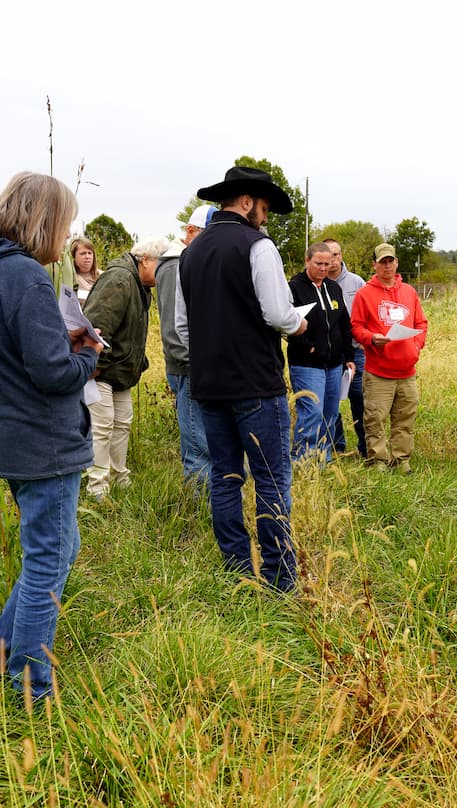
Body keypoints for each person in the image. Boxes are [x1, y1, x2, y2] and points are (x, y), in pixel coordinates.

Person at [0, 171, 101, 701]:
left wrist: (58, 341)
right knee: (48, 561)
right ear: (42, 221)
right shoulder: (25, 277)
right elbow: (54, 374)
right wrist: (85, 354)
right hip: (44, 441)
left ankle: (0, 657)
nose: (66, 239)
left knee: (53, 552)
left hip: (6, 437)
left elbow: (10, 353)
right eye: (64, 226)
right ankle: (28, 684)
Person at [177, 166, 307, 592]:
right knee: (271, 478)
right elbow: (277, 314)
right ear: (247, 202)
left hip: (209, 386)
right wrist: (299, 326)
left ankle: (236, 570)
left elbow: (182, 327)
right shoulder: (259, 246)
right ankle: (279, 578)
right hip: (255, 384)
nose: (266, 218)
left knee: (225, 477)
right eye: (264, 208)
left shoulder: (190, 254)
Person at [81, 236, 168, 499]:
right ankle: (97, 487)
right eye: (160, 267)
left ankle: (119, 477)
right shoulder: (119, 280)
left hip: (121, 371)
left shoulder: (139, 284)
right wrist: (95, 367)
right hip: (102, 370)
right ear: (145, 260)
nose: (162, 274)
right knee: (102, 427)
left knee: (122, 424)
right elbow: (96, 325)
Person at [350, 243, 427, 473]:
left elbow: (421, 323)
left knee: (405, 419)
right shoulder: (365, 293)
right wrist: (372, 338)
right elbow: (356, 326)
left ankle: (401, 459)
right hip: (379, 371)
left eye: (390, 261)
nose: (387, 266)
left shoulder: (409, 292)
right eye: (382, 261)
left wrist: (416, 346)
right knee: (375, 418)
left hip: (407, 371)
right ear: (374, 265)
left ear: (396, 263)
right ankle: (379, 461)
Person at [155, 204, 213, 488]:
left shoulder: (194, 259)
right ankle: (199, 507)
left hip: (201, 364)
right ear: (190, 232)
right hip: (188, 366)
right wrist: (192, 364)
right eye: (207, 235)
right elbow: (172, 327)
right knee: (198, 444)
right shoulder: (174, 264)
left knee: (206, 439)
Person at [287, 242, 354, 463]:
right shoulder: (294, 287)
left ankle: (323, 459)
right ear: (307, 261)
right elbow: (286, 323)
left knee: (330, 412)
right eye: (319, 263)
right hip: (307, 363)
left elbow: (344, 324)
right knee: (312, 412)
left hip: (335, 363)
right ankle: (303, 459)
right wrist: (308, 345)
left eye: (328, 264)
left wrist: (349, 357)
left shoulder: (334, 288)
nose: (324, 268)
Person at [325, 238, 367, 457]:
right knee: (331, 400)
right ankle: (337, 446)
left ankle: (365, 447)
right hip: (330, 353)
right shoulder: (318, 283)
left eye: (337, 254)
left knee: (358, 397)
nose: (334, 260)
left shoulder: (356, 282)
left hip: (356, 351)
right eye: (329, 255)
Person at [70, 237, 101, 302]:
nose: (87, 257)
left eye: (89, 253)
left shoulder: (103, 276)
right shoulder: (71, 279)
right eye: (83, 253)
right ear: (74, 257)